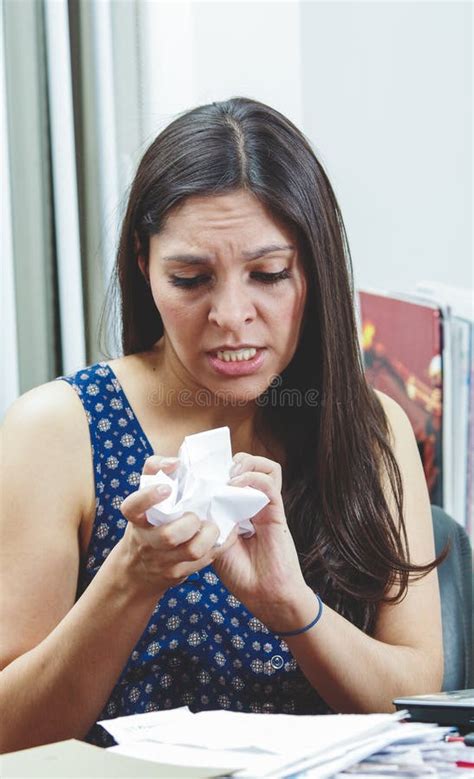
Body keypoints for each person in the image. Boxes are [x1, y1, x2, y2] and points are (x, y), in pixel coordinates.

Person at [0, 97, 443, 753]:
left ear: (314, 270)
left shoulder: (370, 426)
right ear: (145, 265)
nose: (232, 315)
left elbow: (419, 699)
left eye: (269, 274)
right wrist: (131, 578)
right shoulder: (57, 430)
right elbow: (9, 734)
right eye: (191, 278)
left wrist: (293, 606)